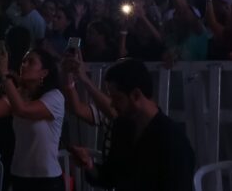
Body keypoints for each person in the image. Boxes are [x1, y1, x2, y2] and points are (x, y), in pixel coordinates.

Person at [70, 59, 195, 190]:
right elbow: (110, 177)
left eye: (117, 98)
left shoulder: (173, 140)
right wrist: (89, 164)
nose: (112, 104)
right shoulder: (122, 127)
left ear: (136, 95)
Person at [0, 47, 65, 191]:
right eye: (23, 61)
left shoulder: (54, 97)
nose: (24, 65)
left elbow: (23, 110)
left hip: (47, 180)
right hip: (19, 175)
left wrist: (4, 75)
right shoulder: (19, 95)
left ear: (44, 72)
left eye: (31, 62)